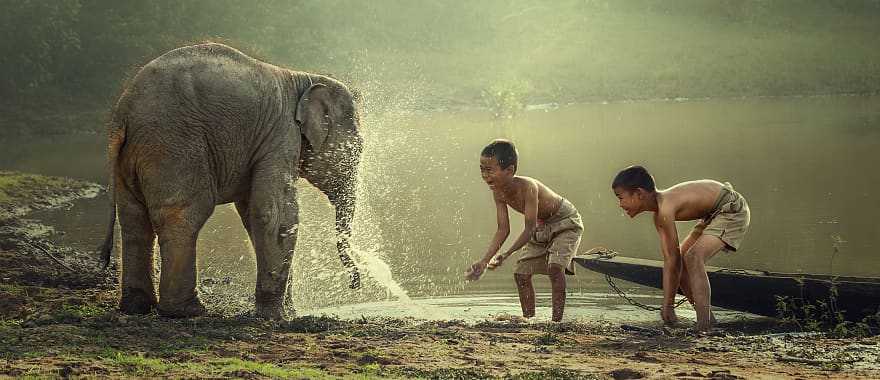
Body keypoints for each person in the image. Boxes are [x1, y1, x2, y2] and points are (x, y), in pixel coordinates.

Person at [611, 165, 750, 331]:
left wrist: (668, 304)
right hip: (711, 214)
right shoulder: (660, 215)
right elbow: (672, 259)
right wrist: (668, 304)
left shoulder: (665, 208)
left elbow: (673, 261)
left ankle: (703, 325)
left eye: (620, 197)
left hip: (731, 208)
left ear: (639, 194)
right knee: (684, 259)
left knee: (693, 256)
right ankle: (709, 320)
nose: (620, 204)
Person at [466, 139, 583, 322]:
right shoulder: (498, 192)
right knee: (521, 273)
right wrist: (484, 261)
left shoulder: (528, 187)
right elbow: (503, 229)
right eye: (482, 169)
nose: (485, 175)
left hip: (564, 222)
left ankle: (556, 323)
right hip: (541, 226)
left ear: (509, 171)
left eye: (489, 170)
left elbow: (528, 229)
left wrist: (506, 254)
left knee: (555, 267)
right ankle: (529, 320)